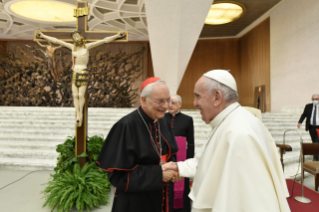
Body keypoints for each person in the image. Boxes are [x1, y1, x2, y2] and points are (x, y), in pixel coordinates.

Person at [163, 70, 290, 212]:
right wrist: (179, 168)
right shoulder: (228, 122)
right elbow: (208, 162)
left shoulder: (239, 133)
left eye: (198, 96)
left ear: (217, 97)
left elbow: (249, 203)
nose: (195, 103)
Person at [97, 77, 179, 212]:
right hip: (134, 204)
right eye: (160, 101)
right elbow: (117, 177)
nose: (165, 106)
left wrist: (175, 168)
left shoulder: (162, 121)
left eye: (168, 100)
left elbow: (170, 154)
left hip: (161, 199)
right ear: (143, 100)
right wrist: (159, 174)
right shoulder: (125, 126)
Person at [36, 31, 125, 127]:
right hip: (74, 71)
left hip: (83, 71)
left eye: (77, 36)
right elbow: (57, 41)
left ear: (81, 37)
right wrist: (43, 36)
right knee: (75, 95)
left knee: (80, 94)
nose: (76, 38)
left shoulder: (87, 46)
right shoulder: (71, 47)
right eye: (74, 37)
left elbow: (103, 41)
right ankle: (77, 114)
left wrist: (117, 36)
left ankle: (81, 115)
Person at [164, 94, 194, 212]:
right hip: (167, 157)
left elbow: (191, 143)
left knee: (181, 186)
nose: (170, 105)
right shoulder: (162, 118)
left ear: (180, 104)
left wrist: (189, 162)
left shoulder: (188, 119)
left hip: (182, 158)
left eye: (173, 103)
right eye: (169, 102)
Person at [297, 94, 319, 161]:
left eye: (316, 99)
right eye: (313, 99)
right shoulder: (308, 106)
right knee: (314, 141)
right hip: (311, 127)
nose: (315, 100)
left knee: (317, 142)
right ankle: (316, 155)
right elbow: (304, 115)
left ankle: (315, 158)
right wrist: (300, 122)